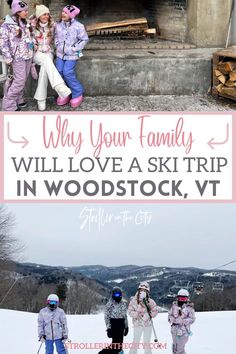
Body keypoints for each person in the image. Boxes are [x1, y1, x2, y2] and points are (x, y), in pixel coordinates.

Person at [30, 5, 71, 111]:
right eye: (44, 14)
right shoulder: (31, 25)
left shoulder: (53, 25)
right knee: (46, 61)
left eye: (48, 14)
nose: (46, 16)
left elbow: (60, 36)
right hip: (37, 52)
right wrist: (34, 46)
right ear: (39, 15)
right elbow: (28, 40)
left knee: (45, 67)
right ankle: (60, 87)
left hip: (49, 51)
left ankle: (41, 99)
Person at [0, 0, 34, 111]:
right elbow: (2, 42)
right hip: (17, 58)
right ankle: (8, 104)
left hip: (28, 55)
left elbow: (30, 37)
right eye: (24, 10)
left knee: (22, 80)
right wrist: (8, 57)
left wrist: (33, 45)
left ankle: (19, 99)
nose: (26, 12)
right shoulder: (7, 25)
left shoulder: (26, 22)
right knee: (19, 81)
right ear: (17, 11)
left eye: (27, 10)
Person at [54, 4, 89, 108]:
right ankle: (65, 92)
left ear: (72, 15)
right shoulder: (58, 25)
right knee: (59, 71)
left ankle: (77, 92)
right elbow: (56, 36)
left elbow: (84, 39)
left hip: (72, 55)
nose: (63, 14)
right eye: (63, 12)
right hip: (60, 54)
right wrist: (58, 45)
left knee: (67, 72)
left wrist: (73, 49)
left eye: (66, 12)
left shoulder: (79, 26)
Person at [128, 282, 158, 354]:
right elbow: (130, 311)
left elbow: (155, 311)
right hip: (138, 324)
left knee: (146, 342)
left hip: (148, 325)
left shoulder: (150, 301)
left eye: (145, 290)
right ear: (138, 291)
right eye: (141, 290)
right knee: (136, 341)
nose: (143, 292)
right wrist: (136, 314)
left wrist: (150, 314)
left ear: (147, 292)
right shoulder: (134, 301)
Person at [99, 287, 129, 354]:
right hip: (114, 324)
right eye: (116, 295)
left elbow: (125, 316)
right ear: (112, 295)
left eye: (119, 294)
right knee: (115, 345)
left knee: (120, 344)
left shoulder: (123, 304)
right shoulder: (109, 305)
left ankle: (119, 352)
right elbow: (106, 317)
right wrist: (109, 328)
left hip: (121, 325)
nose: (118, 296)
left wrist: (126, 326)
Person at [168, 288, 195, 354]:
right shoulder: (174, 306)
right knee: (174, 347)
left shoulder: (189, 308)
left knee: (180, 348)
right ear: (177, 298)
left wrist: (183, 321)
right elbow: (169, 315)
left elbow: (192, 319)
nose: (182, 300)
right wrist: (173, 319)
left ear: (187, 299)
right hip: (174, 330)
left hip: (184, 331)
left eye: (184, 299)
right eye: (181, 298)